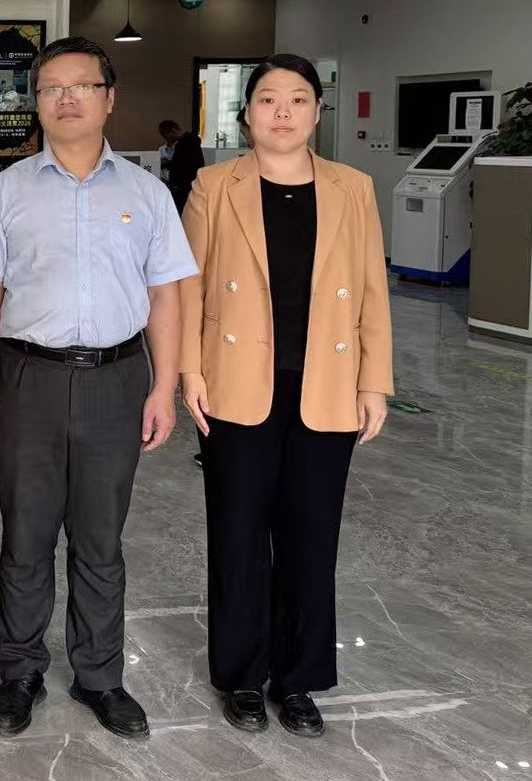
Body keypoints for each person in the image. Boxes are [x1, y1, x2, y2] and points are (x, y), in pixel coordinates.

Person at [0, 36, 197, 741]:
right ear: (36, 103)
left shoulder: (146, 193)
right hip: (27, 377)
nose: (66, 99)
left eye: (82, 86)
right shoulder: (7, 191)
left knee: (100, 539)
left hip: (116, 379)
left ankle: (100, 676)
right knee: (26, 535)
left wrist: (163, 388)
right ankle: (19, 672)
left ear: (109, 98)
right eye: (51, 88)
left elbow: (165, 296)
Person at [179, 53, 393, 738]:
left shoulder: (354, 188)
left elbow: (372, 290)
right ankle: (242, 675)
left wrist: (375, 382)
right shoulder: (215, 186)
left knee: (311, 538)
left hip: (326, 387)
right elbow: (189, 286)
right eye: (268, 99)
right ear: (246, 113)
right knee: (238, 535)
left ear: (317, 112)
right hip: (236, 384)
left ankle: (298, 679)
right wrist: (189, 370)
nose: (282, 112)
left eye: (298, 99)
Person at [159, 120, 205, 213]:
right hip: (189, 184)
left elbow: (180, 165)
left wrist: (166, 165)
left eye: (166, 135)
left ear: (173, 131)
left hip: (183, 187)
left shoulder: (185, 143)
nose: (166, 138)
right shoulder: (190, 142)